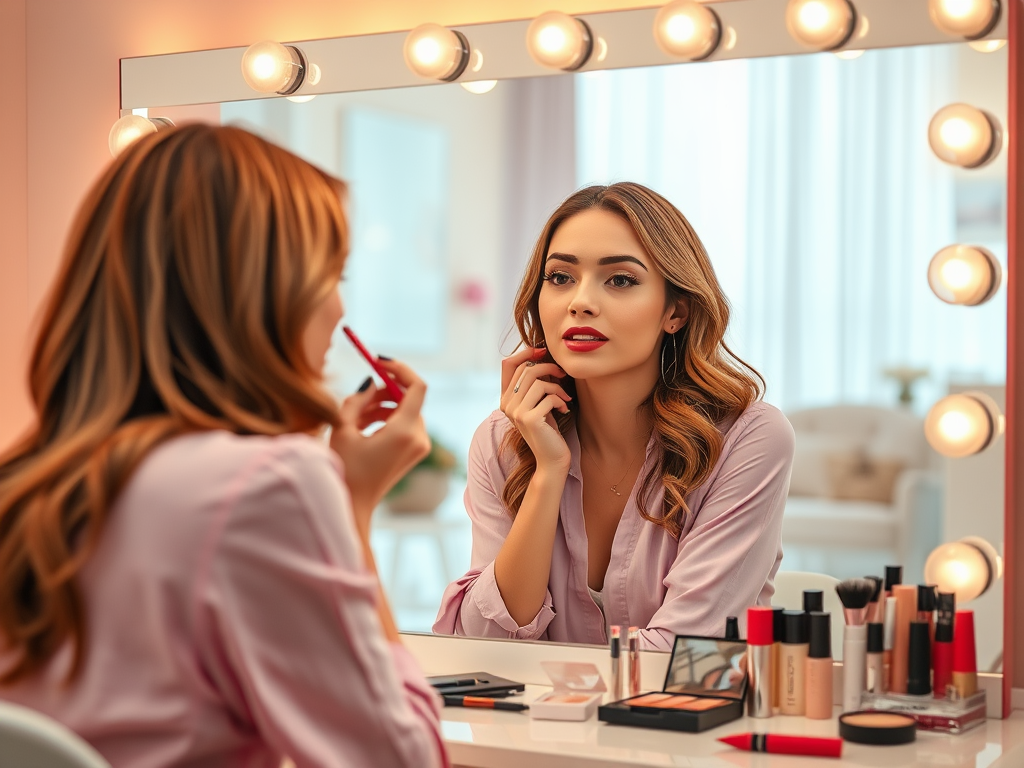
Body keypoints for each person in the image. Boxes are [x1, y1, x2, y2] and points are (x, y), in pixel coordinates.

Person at [0, 125, 447, 768]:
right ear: (261, 292)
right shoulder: (270, 483)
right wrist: (350, 508)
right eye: (330, 274)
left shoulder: (25, 486)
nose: (339, 310)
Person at [434, 182, 794, 650]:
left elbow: (687, 652)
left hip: (685, 724)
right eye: (560, 277)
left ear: (676, 311)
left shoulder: (747, 439)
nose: (580, 302)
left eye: (620, 279)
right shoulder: (503, 441)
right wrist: (547, 474)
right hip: (536, 726)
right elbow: (483, 643)